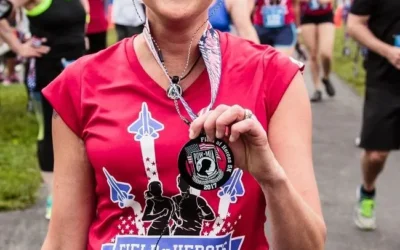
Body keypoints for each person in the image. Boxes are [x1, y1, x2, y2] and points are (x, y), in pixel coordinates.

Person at [40, 1, 326, 249]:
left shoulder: (275, 77)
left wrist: (271, 177)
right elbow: (63, 242)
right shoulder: (80, 85)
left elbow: (308, 246)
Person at [0, 0, 88, 220]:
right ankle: (54, 197)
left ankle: (80, 192)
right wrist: (19, 47)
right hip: (48, 73)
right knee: (50, 132)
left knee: (83, 132)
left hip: (79, 72)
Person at [347, 0, 400, 231]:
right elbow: (354, 25)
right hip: (384, 78)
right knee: (377, 155)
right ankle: (367, 191)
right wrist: (388, 51)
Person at [299, 0, 335, 102]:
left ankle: (326, 77)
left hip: (326, 16)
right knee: (313, 54)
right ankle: (317, 89)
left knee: (326, 53)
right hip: (307, 16)